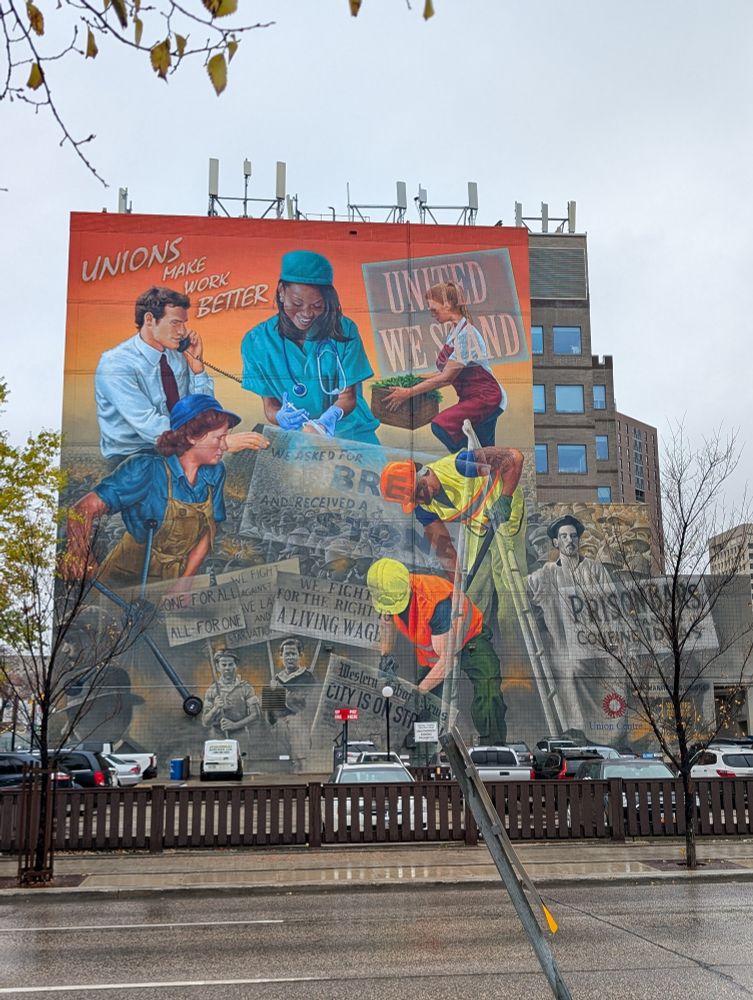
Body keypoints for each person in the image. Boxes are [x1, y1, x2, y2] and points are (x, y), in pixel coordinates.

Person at [66, 395, 267, 588]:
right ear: (191, 437)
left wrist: (184, 582)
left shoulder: (214, 473)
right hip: (124, 579)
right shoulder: (146, 469)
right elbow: (82, 509)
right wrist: (78, 552)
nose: (225, 445)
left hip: (172, 580)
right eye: (219, 438)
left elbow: (208, 531)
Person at [95, 286, 263, 468]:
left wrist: (197, 368)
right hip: (133, 457)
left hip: (178, 447)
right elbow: (149, 425)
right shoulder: (115, 365)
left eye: (184, 323)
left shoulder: (177, 356)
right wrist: (215, 441)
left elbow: (200, 410)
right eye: (175, 323)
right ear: (149, 320)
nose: (182, 331)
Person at [379, 447, 526, 634]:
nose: (420, 502)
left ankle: (513, 639)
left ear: (423, 475)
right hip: (478, 527)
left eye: (417, 494)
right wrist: (458, 590)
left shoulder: (462, 465)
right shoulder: (424, 509)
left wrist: (505, 498)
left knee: (509, 586)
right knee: (472, 591)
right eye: (414, 500)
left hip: (505, 517)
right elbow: (445, 550)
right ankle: (477, 637)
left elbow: (514, 457)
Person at [240, 250, 380, 444]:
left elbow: (348, 396)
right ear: (281, 292)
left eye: (317, 306)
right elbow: (270, 406)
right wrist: (280, 416)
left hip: (351, 431)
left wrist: (328, 419)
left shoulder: (344, 329)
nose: (306, 313)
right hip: (299, 436)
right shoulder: (256, 341)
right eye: (297, 303)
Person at [367, 558, 507, 746]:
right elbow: (387, 622)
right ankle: (424, 751)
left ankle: (493, 746)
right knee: (427, 706)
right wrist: (385, 657)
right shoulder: (391, 593)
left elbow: (448, 661)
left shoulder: (435, 603)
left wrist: (419, 692)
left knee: (488, 689)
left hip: (471, 640)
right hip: (433, 654)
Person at [380, 281, 505, 451]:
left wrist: (408, 393)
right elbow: (447, 372)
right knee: (486, 452)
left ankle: (470, 458)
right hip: (472, 398)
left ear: (447, 304)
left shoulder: (466, 335)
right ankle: (477, 460)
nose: (432, 314)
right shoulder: (455, 332)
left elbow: (446, 378)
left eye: (433, 309)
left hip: (486, 398)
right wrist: (415, 380)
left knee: (442, 425)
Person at [526, 515, 621, 734]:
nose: (569, 540)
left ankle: (603, 734)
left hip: (596, 650)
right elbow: (526, 588)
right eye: (564, 536)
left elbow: (612, 608)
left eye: (573, 536)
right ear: (556, 542)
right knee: (571, 694)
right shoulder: (548, 573)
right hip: (564, 653)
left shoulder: (595, 570)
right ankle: (577, 731)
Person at [265, 637, 317, 773]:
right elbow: (270, 707)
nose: (290, 658)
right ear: (281, 656)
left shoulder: (307, 677)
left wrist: (280, 690)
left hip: (298, 721)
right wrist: (271, 722)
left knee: (300, 757)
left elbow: (301, 702)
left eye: (293, 654)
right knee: (283, 759)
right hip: (279, 724)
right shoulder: (276, 678)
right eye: (286, 654)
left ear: (300, 655)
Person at [202, 649, 262, 743]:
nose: (227, 668)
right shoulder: (212, 690)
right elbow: (205, 722)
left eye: (230, 664)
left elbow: (256, 714)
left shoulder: (246, 687)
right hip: (217, 737)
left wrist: (234, 725)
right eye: (224, 665)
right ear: (217, 667)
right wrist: (215, 708)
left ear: (236, 665)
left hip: (240, 735)